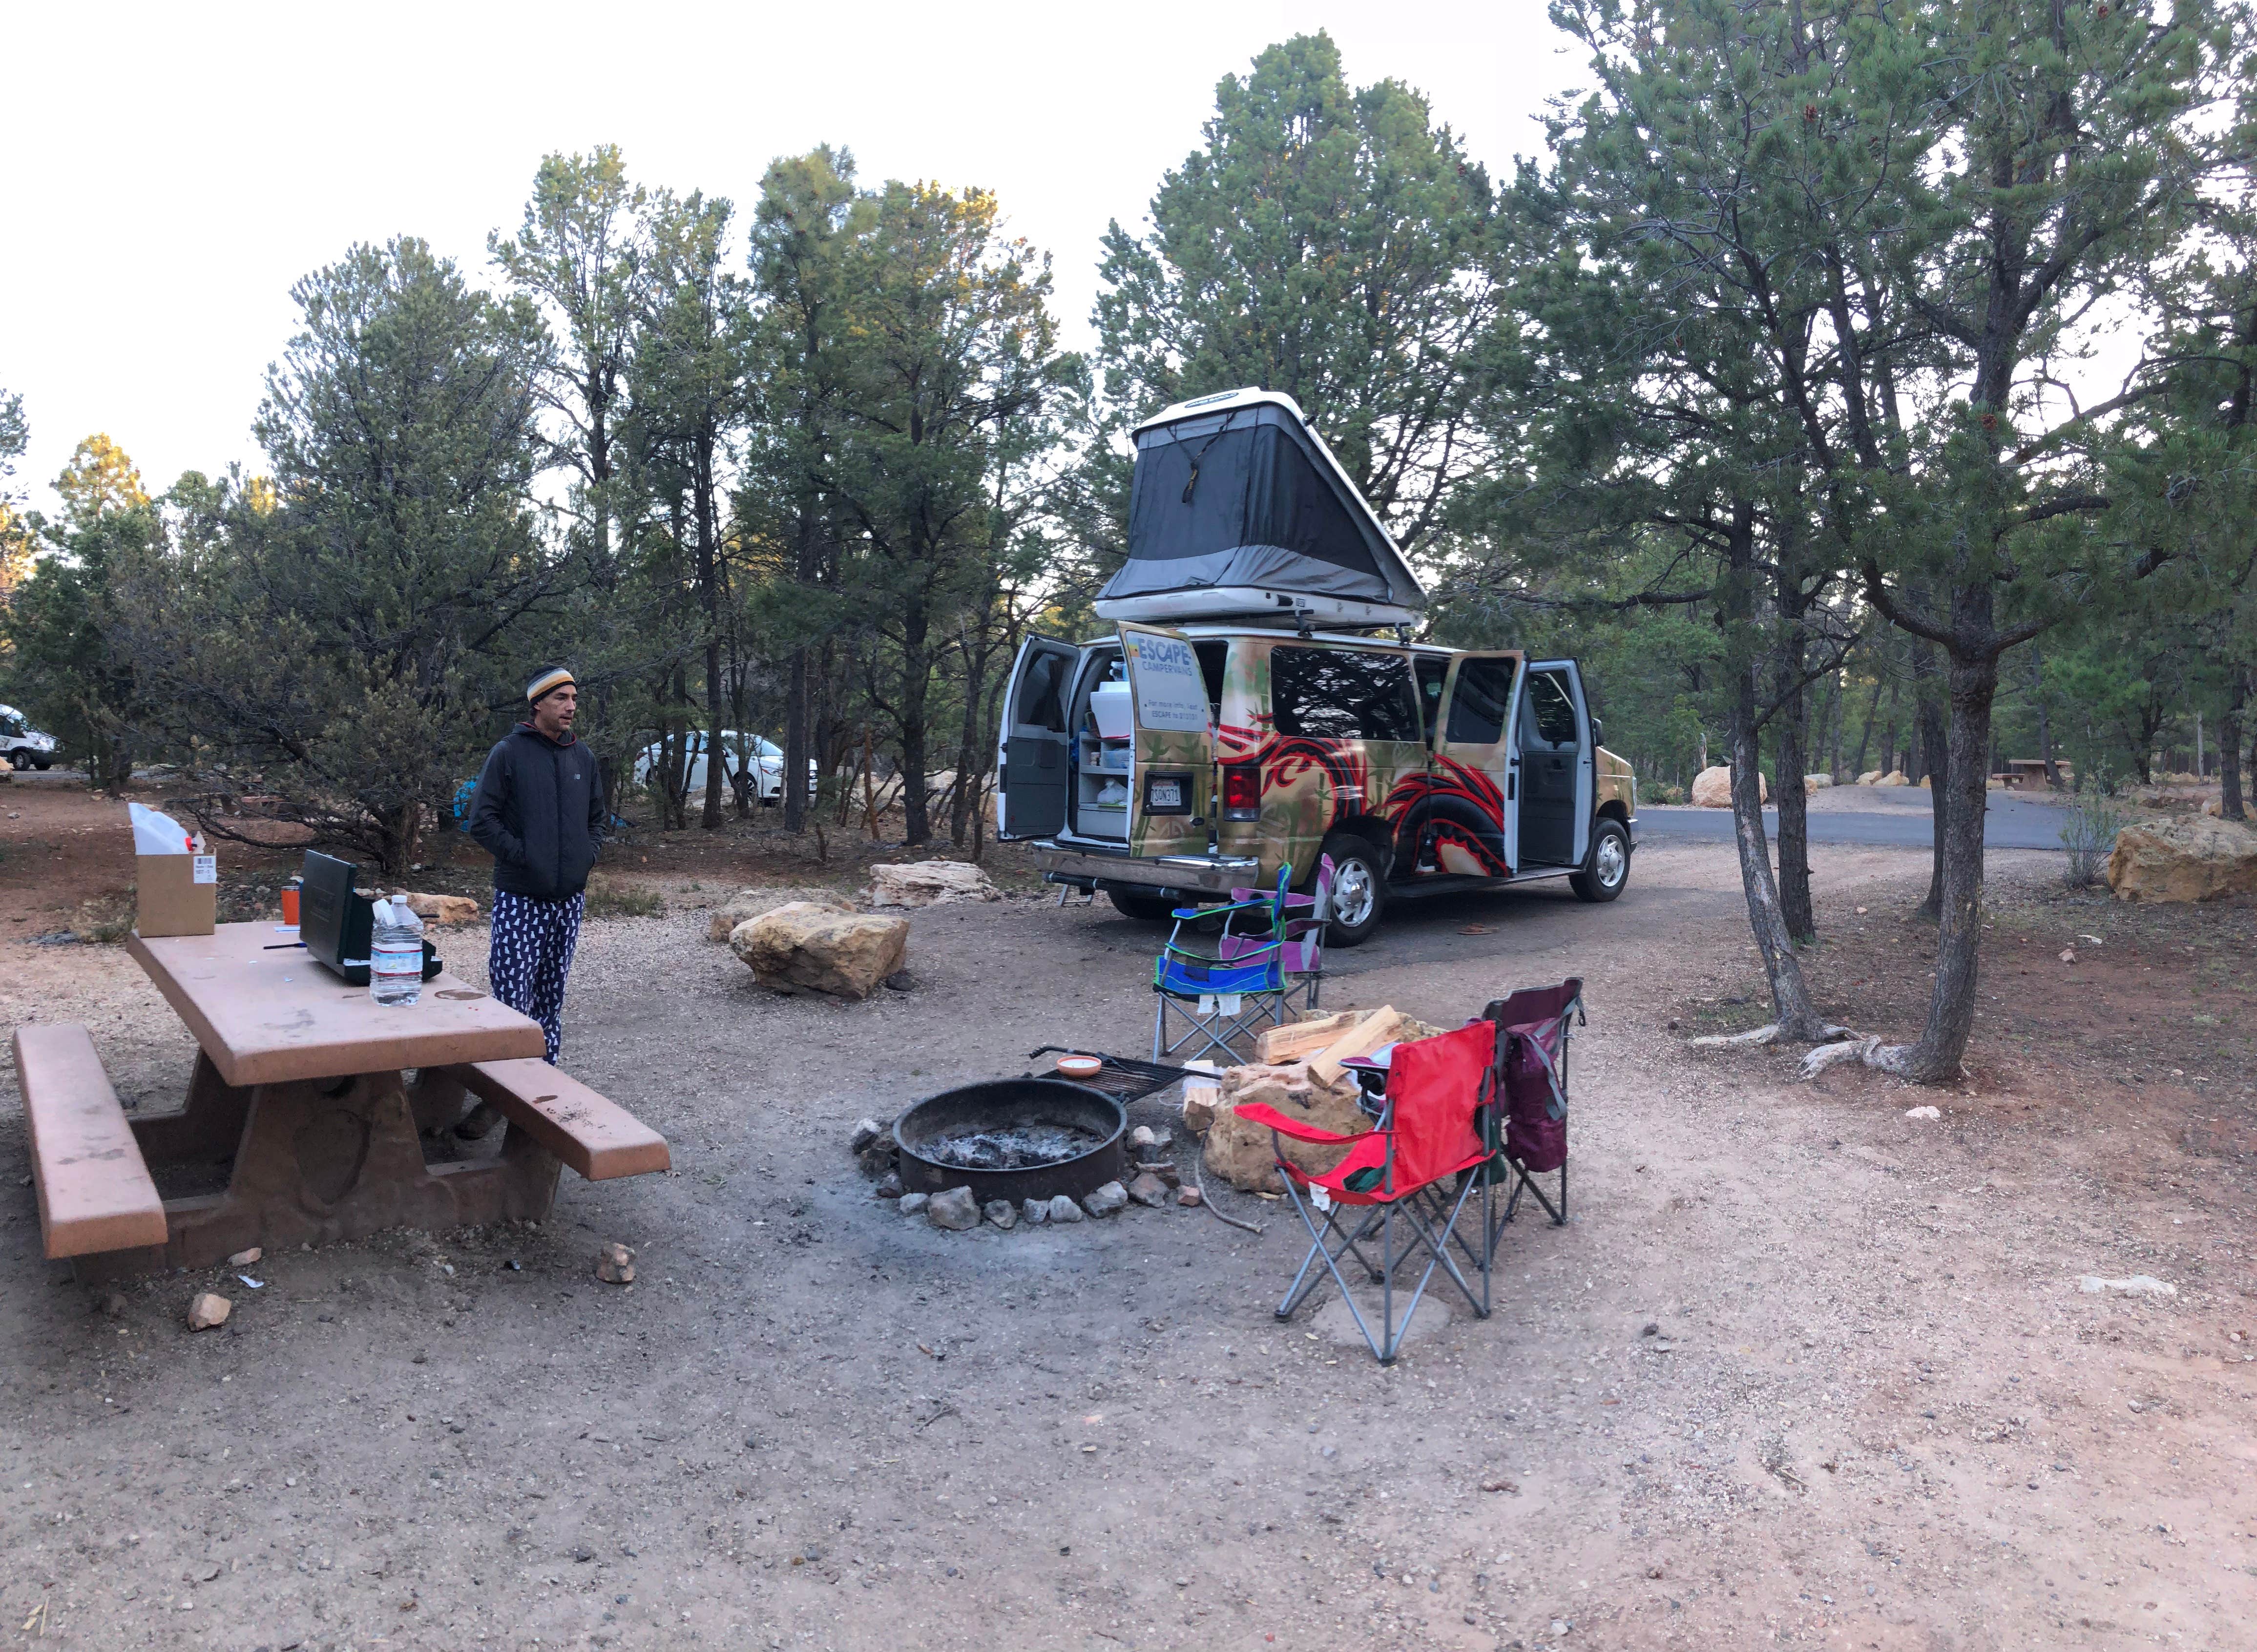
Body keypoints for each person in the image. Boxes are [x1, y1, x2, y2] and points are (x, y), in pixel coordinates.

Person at [466, 665, 606, 1096]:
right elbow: (481, 821)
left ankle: (544, 1088)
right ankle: (506, 1093)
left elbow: (597, 820)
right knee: (512, 1000)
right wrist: (525, 858)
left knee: (550, 997)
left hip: (569, 900)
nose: (571, 706)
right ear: (538, 703)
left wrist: (587, 857)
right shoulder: (509, 753)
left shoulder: (583, 757)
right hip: (521, 898)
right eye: (561, 698)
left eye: (574, 698)